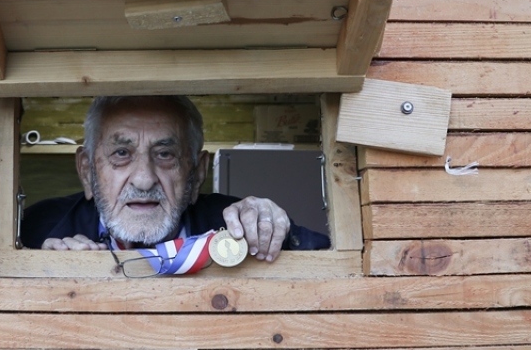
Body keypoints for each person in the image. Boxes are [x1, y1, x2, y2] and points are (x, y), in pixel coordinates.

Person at [19, 95, 330, 262]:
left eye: (165, 155)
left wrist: (274, 231)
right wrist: (47, 274)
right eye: (122, 153)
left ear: (197, 173)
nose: (143, 180)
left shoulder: (234, 225)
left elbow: (329, 258)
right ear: (87, 170)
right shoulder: (34, 231)